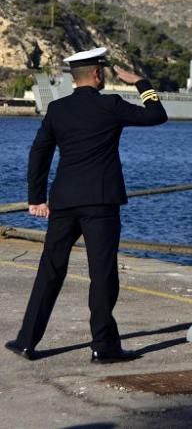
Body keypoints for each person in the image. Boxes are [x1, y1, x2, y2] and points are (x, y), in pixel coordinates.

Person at [6, 48, 167, 363]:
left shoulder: (57, 109)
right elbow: (156, 115)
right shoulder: (110, 105)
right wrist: (141, 82)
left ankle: (27, 341)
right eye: (103, 72)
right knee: (102, 274)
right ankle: (103, 346)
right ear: (97, 74)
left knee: (50, 270)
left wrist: (36, 198)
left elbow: (38, 154)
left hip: (64, 201)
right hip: (100, 203)